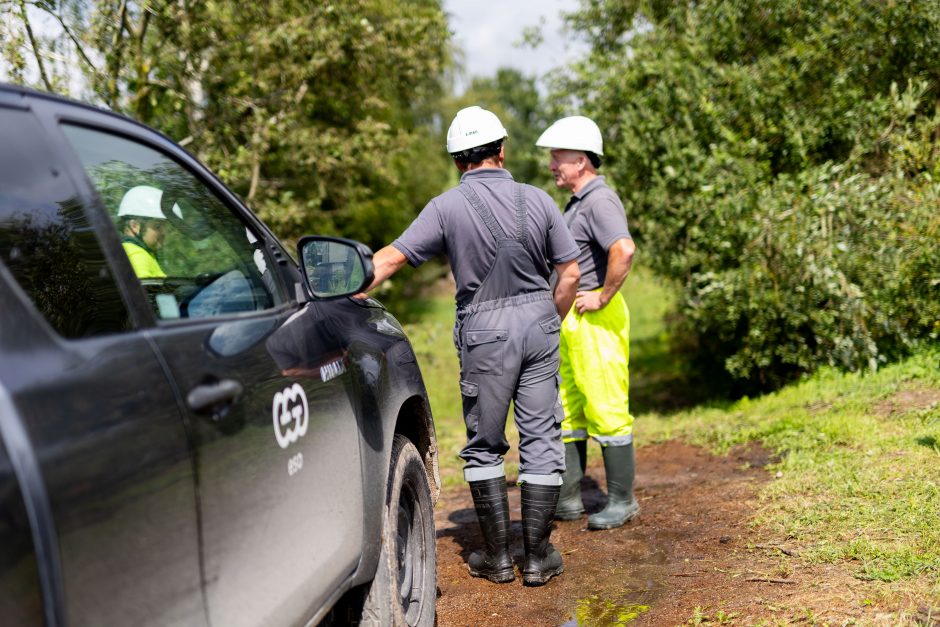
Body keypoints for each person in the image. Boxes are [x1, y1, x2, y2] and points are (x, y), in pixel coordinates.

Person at [363, 106, 581, 586]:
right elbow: (570, 273)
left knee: (485, 444)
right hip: (540, 322)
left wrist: (346, 289)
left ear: (458, 160)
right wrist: (548, 318)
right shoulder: (540, 200)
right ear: (501, 151)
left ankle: (499, 559)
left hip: (484, 332)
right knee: (542, 436)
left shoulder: (445, 207)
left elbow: (392, 259)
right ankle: (538, 559)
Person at [536, 115, 639, 530]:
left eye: (557, 157)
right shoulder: (579, 201)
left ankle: (622, 501)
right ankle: (570, 498)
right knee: (573, 407)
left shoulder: (600, 200)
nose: (552, 165)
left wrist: (603, 295)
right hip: (576, 320)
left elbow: (624, 249)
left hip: (596, 317)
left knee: (606, 406)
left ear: (580, 160)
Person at [116, 185, 180, 278]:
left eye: (164, 227)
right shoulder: (136, 256)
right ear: (134, 226)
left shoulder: (141, 252)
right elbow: (143, 291)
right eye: (157, 226)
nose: (164, 233)